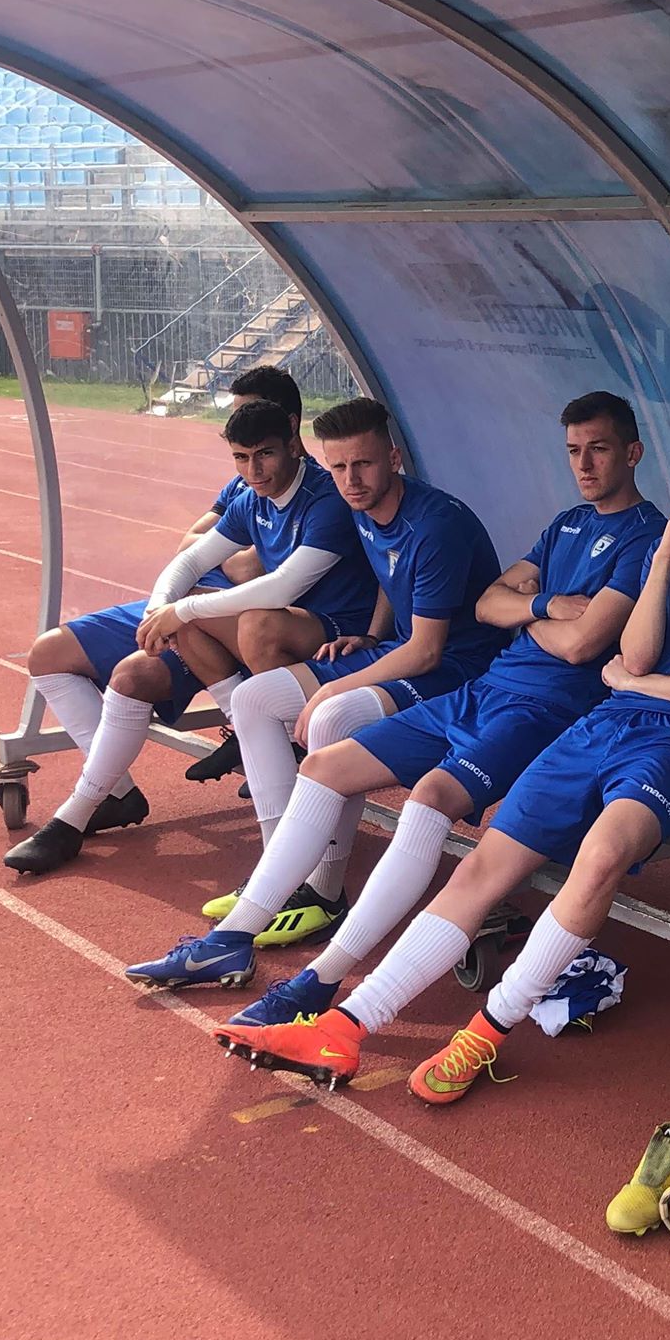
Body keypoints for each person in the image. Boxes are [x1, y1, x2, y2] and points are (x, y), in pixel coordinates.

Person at [212, 404, 670, 1101]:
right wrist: (660, 564)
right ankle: (345, 1024)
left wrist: (636, 680)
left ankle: (483, 1034)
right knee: (484, 865)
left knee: (599, 858)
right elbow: (633, 653)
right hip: (609, 718)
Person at [122, 391, 664, 998]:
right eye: (573, 450)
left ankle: (326, 967)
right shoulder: (567, 523)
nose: (583, 464)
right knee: (317, 758)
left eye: (598, 449)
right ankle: (240, 932)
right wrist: (543, 606)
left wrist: (526, 613)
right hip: (488, 685)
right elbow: (488, 602)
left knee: (398, 774)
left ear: (633, 453)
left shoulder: (645, 537)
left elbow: (580, 643)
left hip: (516, 694)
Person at [3, 394, 376, 874]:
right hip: (259, 622)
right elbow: (191, 558)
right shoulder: (250, 497)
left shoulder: (325, 499)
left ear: (292, 444)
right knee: (172, 625)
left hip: (328, 629)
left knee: (222, 618)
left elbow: (285, 585)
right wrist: (160, 611)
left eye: (264, 454)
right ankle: (85, 809)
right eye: (241, 457)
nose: (254, 469)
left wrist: (181, 610)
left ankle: (269, 741)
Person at [207, 397, 510, 940]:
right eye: (340, 466)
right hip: (401, 649)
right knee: (253, 699)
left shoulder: (435, 526)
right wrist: (372, 633)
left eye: (363, 464)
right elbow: (388, 576)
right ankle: (278, 875)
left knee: (333, 716)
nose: (350, 479)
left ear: (393, 459)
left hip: (459, 668)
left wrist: (333, 688)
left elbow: (426, 652)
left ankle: (324, 893)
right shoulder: (361, 506)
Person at [12, 367, 301, 836]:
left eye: (251, 421)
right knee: (47, 655)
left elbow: (260, 573)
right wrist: (179, 595)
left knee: (131, 676)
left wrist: (210, 576)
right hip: (183, 603)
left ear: (288, 427)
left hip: (223, 621)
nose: (239, 434)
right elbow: (189, 546)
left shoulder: (308, 491)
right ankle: (115, 793)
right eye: (235, 430)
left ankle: (83, 808)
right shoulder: (242, 486)